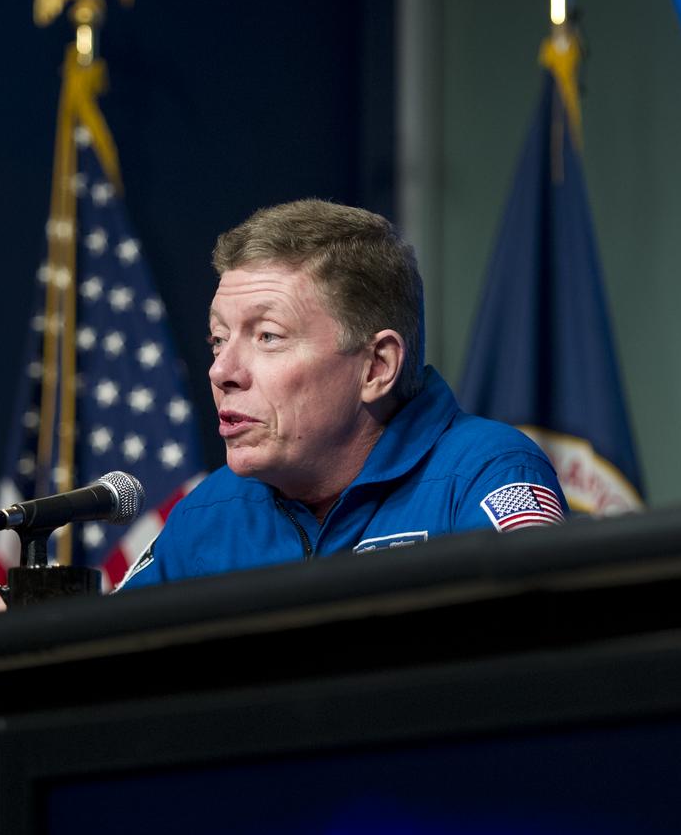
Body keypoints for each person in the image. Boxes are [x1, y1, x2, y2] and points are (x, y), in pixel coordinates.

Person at [119, 199, 567, 588]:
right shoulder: (205, 515)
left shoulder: (485, 474)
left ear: (377, 366)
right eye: (219, 339)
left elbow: (528, 665)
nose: (222, 371)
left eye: (268, 336)